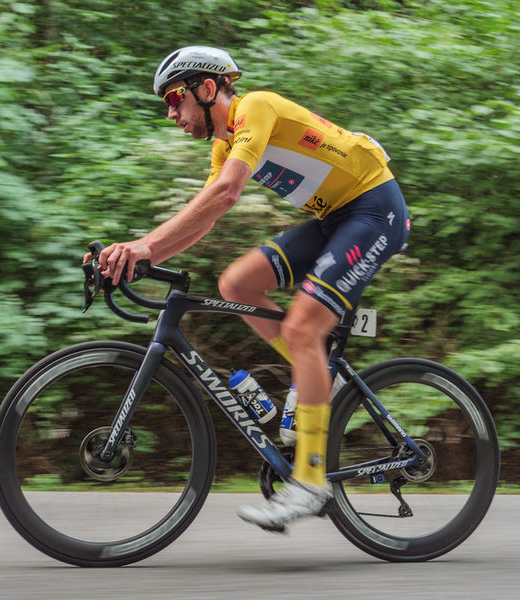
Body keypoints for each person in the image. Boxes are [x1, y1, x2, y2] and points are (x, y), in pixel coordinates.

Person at [89, 46, 410, 531]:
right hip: (335, 217)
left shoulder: (254, 107)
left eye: (175, 98)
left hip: (374, 211)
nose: (171, 112)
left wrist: (142, 246)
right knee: (237, 283)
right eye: (166, 105)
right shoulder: (224, 145)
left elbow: (226, 193)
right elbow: (207, 217)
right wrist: (145, 256)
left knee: (303, 330)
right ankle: (317, 370)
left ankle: (310, 481)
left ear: (209, 88)